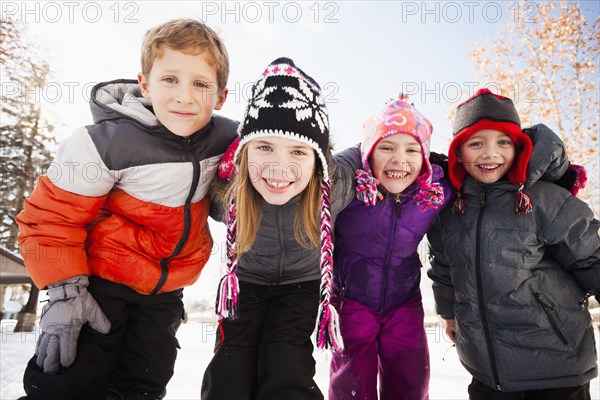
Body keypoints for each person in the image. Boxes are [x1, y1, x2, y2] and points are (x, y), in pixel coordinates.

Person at [15, 19, 238, 400]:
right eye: (170, 80)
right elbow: (51, 217)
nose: (184, 96)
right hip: (98, 285)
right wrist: (66, 291)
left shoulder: (226, 140)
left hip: (165, 294)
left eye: (200, 84)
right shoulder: (104, 143)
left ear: (220, 96)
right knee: (71, 381)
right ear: (146, 83)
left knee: (143, 383)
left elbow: (262, 166)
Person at [200, 57, 359, 400]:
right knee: (230, 367)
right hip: (245, 284)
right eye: (265, 147)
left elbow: (369, 153)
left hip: (301, 286)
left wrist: (432, 161)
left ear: (317, 159)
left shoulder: (336, 184)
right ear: (244, 152)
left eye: (298, 151)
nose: (278, 167)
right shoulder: (226, 188)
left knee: (286, 365)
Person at [427, 88, 599, 400]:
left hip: (555, 367)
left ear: (518, 148)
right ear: (458, 152)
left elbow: (589, 257)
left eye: (502, 142)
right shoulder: (451, 210)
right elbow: (443, 265)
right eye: (476, 143)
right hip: (485, 370)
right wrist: (449, 312)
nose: (490, 153)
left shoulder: (543, 199)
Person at [328, 95, 452, 400]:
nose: (399, 160)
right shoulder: (350, 185)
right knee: (352, 384)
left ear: (424, 157)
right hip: (350, 300)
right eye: (386, 147)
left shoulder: (437, 190)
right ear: (368, 153)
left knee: (410, 379)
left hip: (404, 302)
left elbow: (482, 174)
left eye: (412, 149)